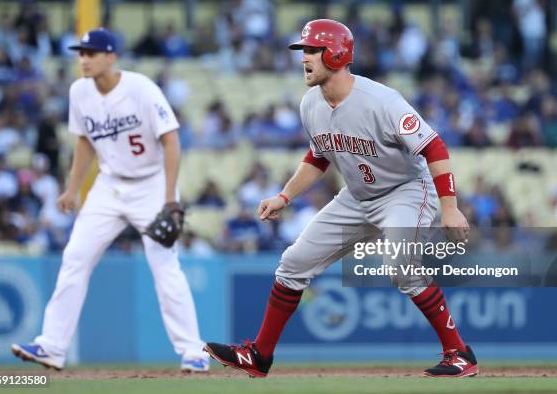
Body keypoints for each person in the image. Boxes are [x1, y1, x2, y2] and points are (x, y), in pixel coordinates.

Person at [204, 19, 478, 378]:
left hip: (406, 190)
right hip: (358, 196)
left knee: (399, 267)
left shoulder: (380, 100)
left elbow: (434, 146)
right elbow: (319, 155)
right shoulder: (310, 105)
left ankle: (459, 353)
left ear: (335, 53)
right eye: (303, 51)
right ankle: (259, 355)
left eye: (312, 50)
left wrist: (450, 208)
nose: (304, 58)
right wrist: (285, 195)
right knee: (293, 264)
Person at [11, 28, 209, 372]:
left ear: (111, 56)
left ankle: (193, 351)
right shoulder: (79, 92)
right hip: (109, 184)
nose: (84, 59)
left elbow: (171, 141)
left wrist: (169, 200)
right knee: (75, 257)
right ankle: (52, 346)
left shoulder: (141, 89)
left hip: (151, 183)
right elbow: (85, 141)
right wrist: (72, 188)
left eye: (91, 53)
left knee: (165, 266)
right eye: (81, 53)